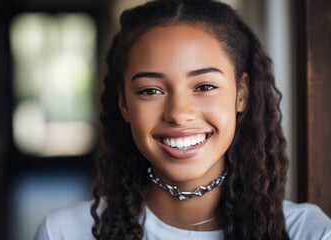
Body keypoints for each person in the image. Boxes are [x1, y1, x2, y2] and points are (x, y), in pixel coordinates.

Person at [35, 0, 331, 239]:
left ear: (241, 93)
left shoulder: (308, 232)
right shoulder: (64, 232)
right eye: (150, 90)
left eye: (204, 86)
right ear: (124, 103)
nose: (178, 113)